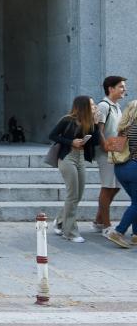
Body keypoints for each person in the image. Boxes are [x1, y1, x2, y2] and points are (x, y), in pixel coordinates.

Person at [48, 95, 102, 243]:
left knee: (78, 195)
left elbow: (95, 142)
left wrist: (96, 125)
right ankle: (70, 232)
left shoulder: (89, 122)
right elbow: (52, 135)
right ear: (83, 106)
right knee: (72, 195)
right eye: (91, 105)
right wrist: (71, 141)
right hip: (67, 158)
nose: (94, 107)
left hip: (80, 158)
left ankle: (60, 220)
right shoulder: (67, 119)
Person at [94, 76, 127, 231]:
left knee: (116, 187)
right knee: (108, 187)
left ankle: (98, 220)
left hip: (116, 152)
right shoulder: (103, 106)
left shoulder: (116, 106)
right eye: (121, 86)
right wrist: (105, 147)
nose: (124, 89)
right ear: (110, 89)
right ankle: (106, 226)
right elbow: (98, 130)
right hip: (106, 154)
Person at [106, 100, 137, 248]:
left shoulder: (123, 128)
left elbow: (114, 150)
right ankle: (118, 232)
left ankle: (136, 235)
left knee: (135, 202)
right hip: (134, 169)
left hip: (120, 169)